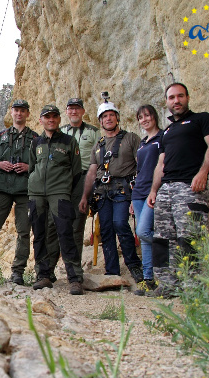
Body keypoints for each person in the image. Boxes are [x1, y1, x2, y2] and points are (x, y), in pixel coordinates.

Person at [146, 83, 209, 297]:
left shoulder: (202, 120)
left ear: (187, 97)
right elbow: (161, 163)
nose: (176, 101)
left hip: (188, 186)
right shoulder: (167, 132)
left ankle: (192, 287)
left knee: (189, 237)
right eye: (171, 98)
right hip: (165, 190)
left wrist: (203, 172)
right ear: (167, 102)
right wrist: (153, 191)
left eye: (180, 96)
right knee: (162, 239)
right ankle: (167, 285)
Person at [78, 95, 144, 283]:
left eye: (111, 115)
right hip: (103, 192)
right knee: (106, 229)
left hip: (122, 189)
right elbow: (91, 173)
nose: (108, 119)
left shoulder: (131, 139)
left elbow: (141, 164)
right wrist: (85, 196)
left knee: (120, 224)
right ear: (100, 121)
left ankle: (134, 265)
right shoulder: (98, 146)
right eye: (104, 116)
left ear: (117, 118)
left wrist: (140, 190)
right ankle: (112, 270)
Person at [0, 99, 38, 285]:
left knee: (23, 232)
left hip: (24, 190)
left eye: (23, 111)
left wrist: (29, 166)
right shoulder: (0, 136)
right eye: (16, 110)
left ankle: (18, 272)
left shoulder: (36, 138)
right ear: (11, 113)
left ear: (27, 114)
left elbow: (41, 164)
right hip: (2, 189)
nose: (19, 114)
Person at [28, 104, 85, 295]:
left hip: (60, 194)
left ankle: (75, 278)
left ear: (59, 119)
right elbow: (31, 169)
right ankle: (43, 275)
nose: (51, 119)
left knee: (65, 233)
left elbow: (77, 174)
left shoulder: (69, 142)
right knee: (39, 234)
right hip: (36, 195)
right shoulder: (36, 142)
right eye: (47, 117)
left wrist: (74, 199)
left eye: (54, 116)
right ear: (41, 120)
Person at [43, 98, 100, 283]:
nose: (74, 112)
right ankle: (48, 271)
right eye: (70, 109)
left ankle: (74, 274)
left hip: (83, 179)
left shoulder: (93, 132)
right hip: (60, 180)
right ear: (66, 113)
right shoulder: (61, 132)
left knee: (76, 225)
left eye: (77, 108)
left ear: (83, 111)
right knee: (52, 224)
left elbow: (100, 157)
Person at [131, 105, 162, 295]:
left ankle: (167, 251)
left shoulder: (162, 138)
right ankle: (148, 279)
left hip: (153, 191)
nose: (144, 120)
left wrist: (156, 190)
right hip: (138, 192)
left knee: (144, 232)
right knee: (143, 237)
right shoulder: (142, 143)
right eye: (141, 117)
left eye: (147, 116)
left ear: (155, 117)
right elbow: (140, 169)